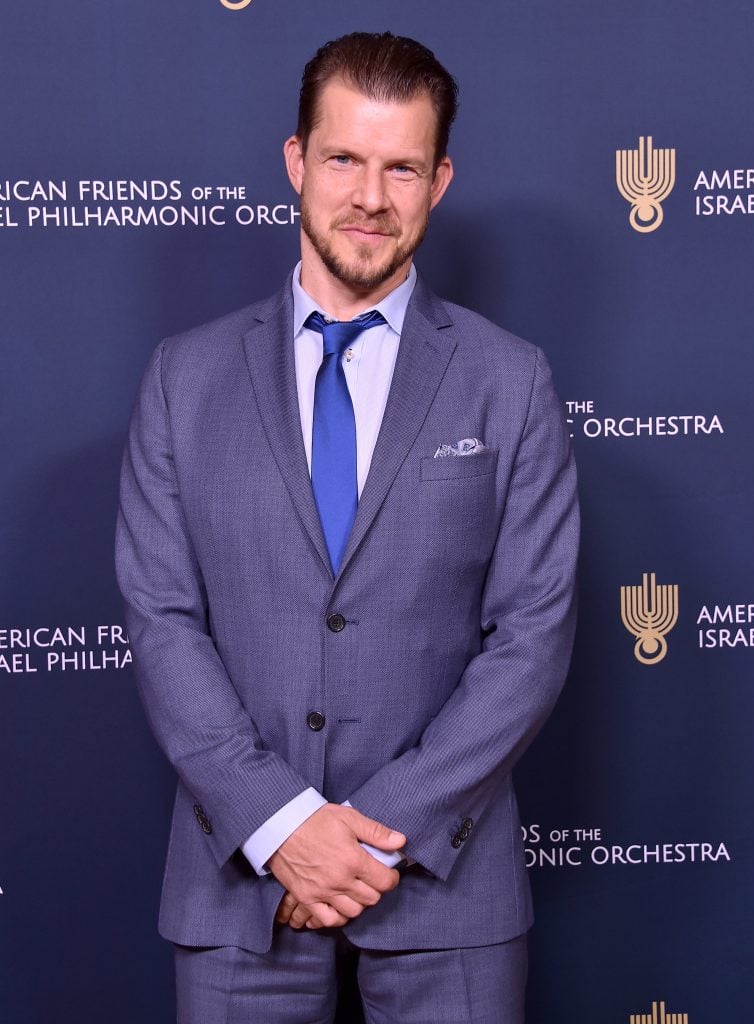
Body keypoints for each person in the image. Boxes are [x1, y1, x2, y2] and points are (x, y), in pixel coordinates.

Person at [115, 30, 579, 1024]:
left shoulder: (510, 379)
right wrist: (281, 822)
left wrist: (372, 834)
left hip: (448, 889)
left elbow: (532, 639)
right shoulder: (181, 378)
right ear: (296, 161)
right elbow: (161, 620)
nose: (372, 195)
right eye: (345, 159)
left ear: (439, 180)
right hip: (239, 881)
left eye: (401, 166)